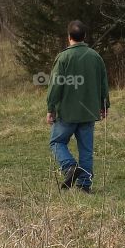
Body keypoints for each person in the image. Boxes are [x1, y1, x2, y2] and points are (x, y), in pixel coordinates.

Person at [44, 20, 110, 191]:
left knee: (57, 142)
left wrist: (50, 108)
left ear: (69, 37)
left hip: (67, 112)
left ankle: (69, 166)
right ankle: (85, 185)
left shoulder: (63, 57)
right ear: (85, 36)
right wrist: (104, 105)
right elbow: (103, 84)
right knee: (86, 150)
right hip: (89, 112)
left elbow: (55, 85)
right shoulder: (96, 57)